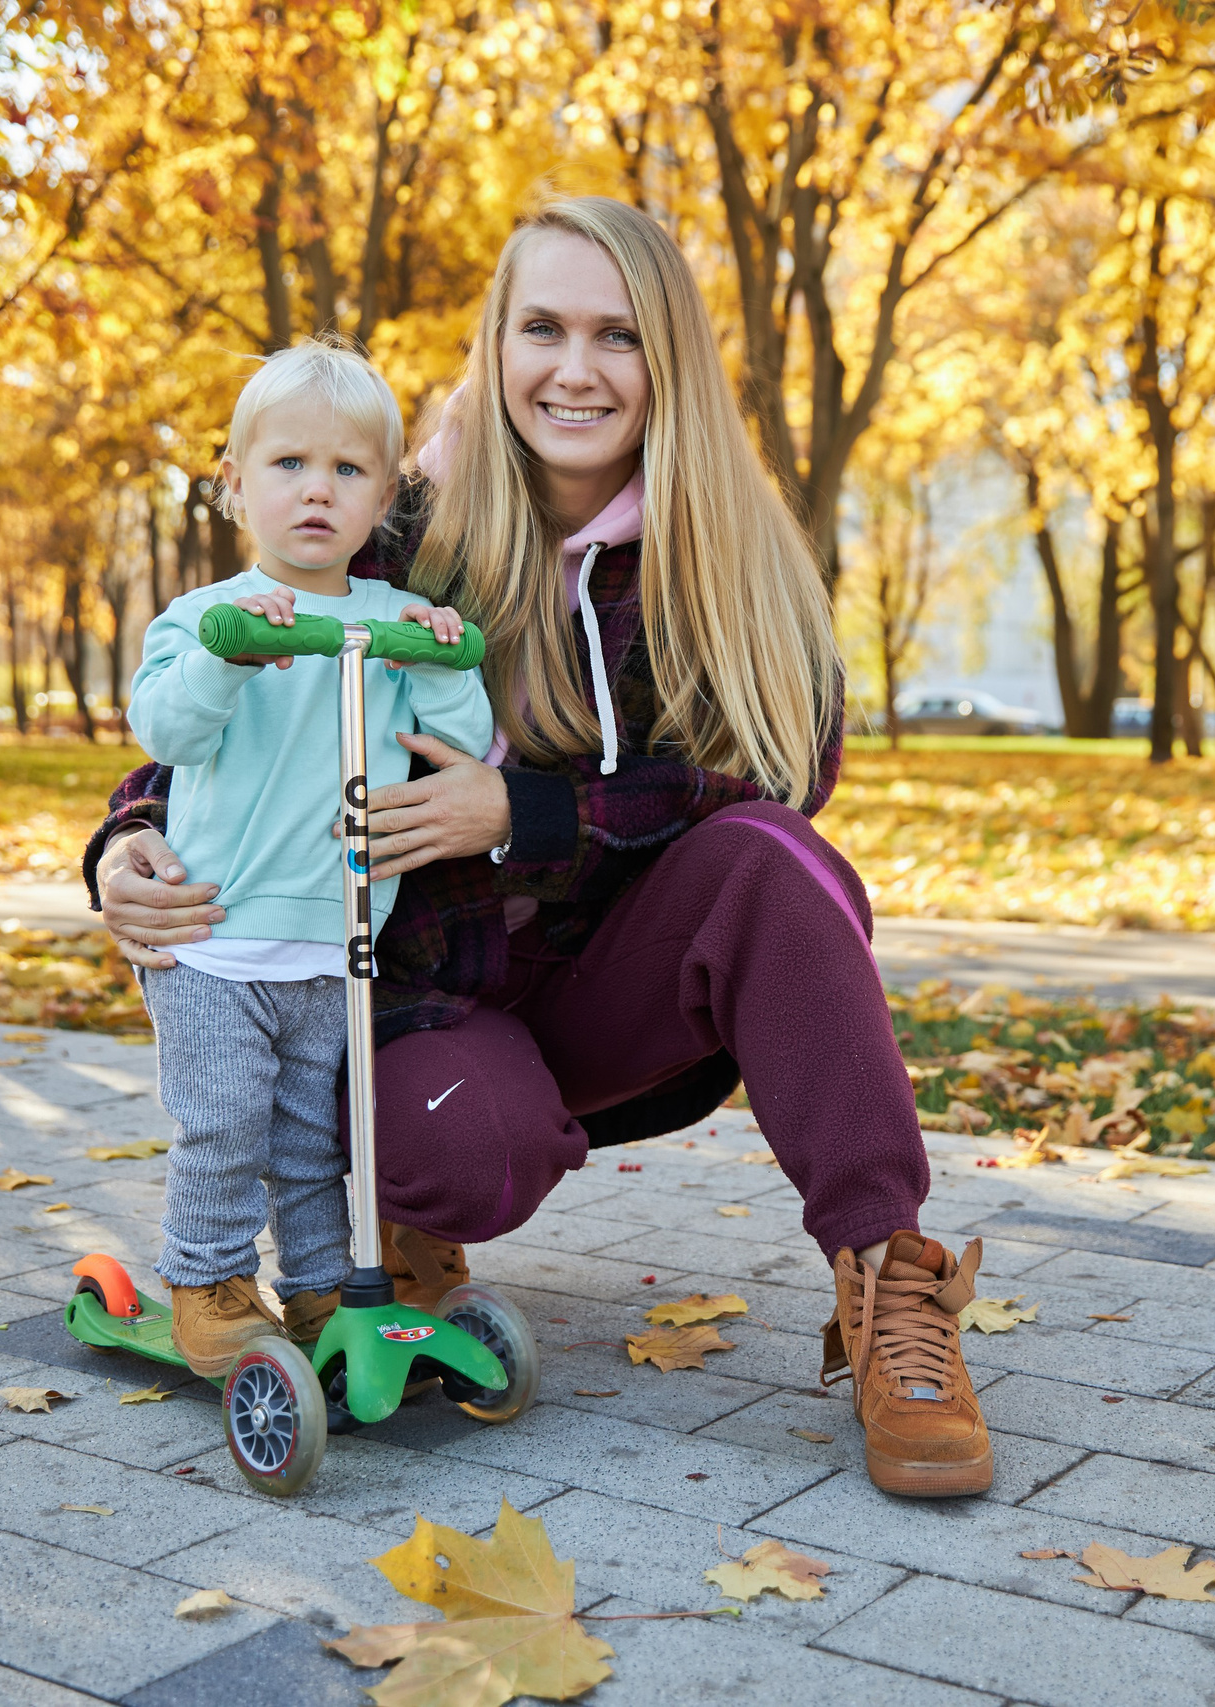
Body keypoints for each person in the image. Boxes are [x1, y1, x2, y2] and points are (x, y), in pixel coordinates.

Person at [86, 198, 994, 1496]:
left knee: (773, 861)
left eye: (618, 334)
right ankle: (407, 1213)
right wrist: (126, 839)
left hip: (620, 985)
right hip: (428, 997)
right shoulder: (399, 535)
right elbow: (230, 720)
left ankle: (888, 1277)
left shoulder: (728, 555)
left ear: (666, 357)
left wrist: (531, 811)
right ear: (495, 344)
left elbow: (783, 774)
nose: (577, 368)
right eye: (544, 328)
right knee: (462, 1149)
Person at [126, 335, 491, 1377]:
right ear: (236, 485)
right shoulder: (203, 619)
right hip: (214, 942)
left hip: (335, 944)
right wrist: (226, 659)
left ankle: (325, 1283)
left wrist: (451, 649)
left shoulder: (387, 621)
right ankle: (206, 1279)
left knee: (310, 1138)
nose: (316, 491)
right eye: (288, 465)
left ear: (383, 496)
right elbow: (167, 732)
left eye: (347, 470)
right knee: (224, 1125)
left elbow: (455, 742)